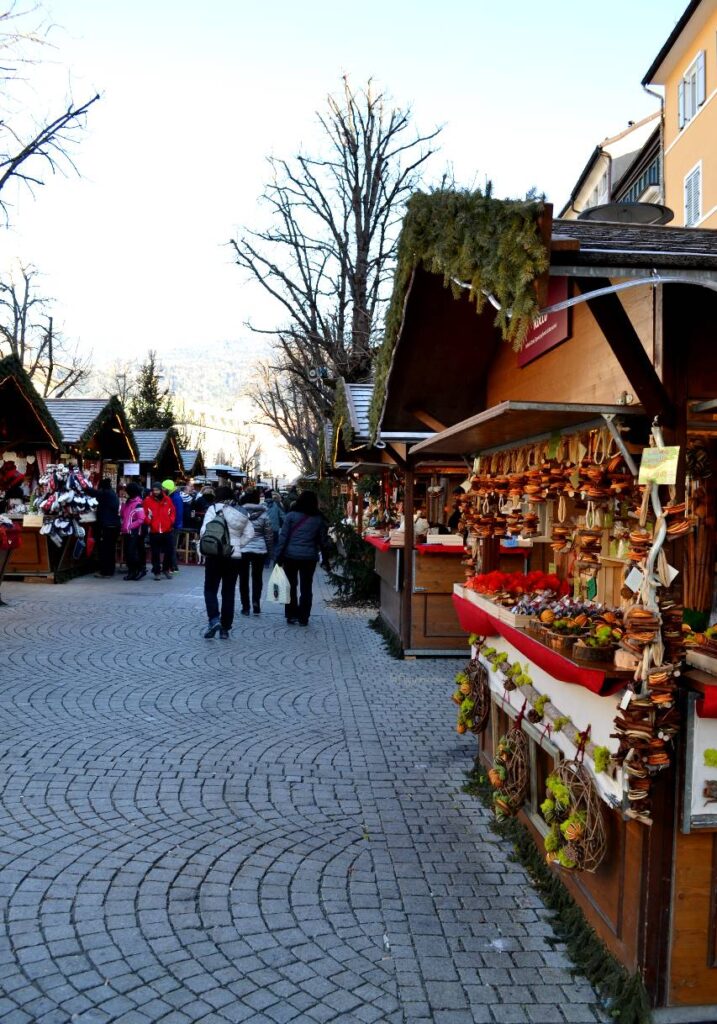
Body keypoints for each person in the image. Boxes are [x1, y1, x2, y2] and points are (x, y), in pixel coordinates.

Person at [200, 485, 252, 638]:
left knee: (210, 589)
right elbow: (250, 533)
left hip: (215, 555)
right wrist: (237, 545)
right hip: (233, 556)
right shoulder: (241, 512)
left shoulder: (214, 509)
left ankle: (214, 619)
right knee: (228, 592)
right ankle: (225, 629)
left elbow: (204, 530)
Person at [273, 490, 330, 627]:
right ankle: (304, 617)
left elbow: (283, 538)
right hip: (309, 558)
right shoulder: (318, 519)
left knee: (291, 586)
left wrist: (278, 556)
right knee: (306, 588)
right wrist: (326, 558)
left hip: (290, 556)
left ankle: (291, 615)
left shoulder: (291, 516)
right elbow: (323, 541)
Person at [237, 489, 273, 615]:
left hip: (243, 548)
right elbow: (268, 534)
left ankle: (245, 606)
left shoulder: (239, 513)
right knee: (257, 577)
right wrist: (270, 550)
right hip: (260, 549)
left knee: (243, 578)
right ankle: (256, 603)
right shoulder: (264, 514)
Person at [87, 478, 121, 577]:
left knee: (105, 549)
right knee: (110, 549)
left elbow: (92, 492)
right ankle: (110, 570)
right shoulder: (112, 493)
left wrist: (82, 484)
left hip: (107, 526)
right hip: (114, 525)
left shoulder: (105, 493)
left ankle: (105, 572)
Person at [143, 481, 176, 579]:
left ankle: (166, 569)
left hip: (167, 529)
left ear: (161, 490)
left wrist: (170, 521)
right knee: (155, 553)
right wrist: (149, 521)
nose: (156, 492)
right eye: (154, 490)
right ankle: (157, 571)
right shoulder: (147, 500)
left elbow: (173, 511)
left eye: (157, 490)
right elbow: (144, 513)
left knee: (169, 550)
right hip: (155, 530)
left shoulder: (167, 499)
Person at [120, 482, 147, 580]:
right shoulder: (128, 502)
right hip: (127, 531)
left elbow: (141, 519)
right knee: (128, 553)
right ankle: (132, 572)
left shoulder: (138, 503)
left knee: (131, 552)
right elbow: (123, 515)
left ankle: (139, 569)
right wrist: (123, 503)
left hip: (133, 532)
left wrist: (130, 527)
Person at [163, 479, 183, 573]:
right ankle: (173, 566)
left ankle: (173, 566)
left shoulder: (175, 498)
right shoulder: (174, 496)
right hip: (174, 524)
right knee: (171, 546)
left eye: (164, 488)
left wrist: (173, 524)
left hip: (174, 525)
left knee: (171, 546)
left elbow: (178, 513)